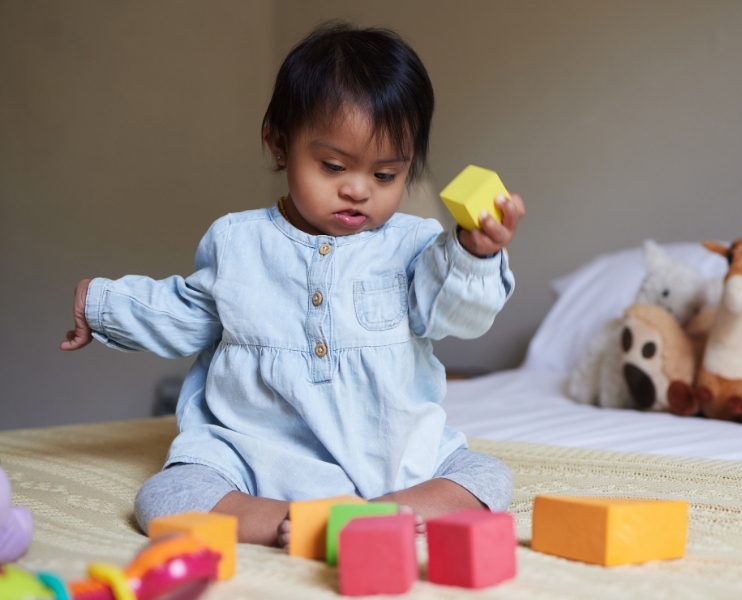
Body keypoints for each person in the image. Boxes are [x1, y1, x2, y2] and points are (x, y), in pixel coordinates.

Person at [60, 22, 525, 547]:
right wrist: (101, 305)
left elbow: (458, 314)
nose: (356, 189)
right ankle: (289, 521)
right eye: (333, 166)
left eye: (385, 176)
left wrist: (474, 253)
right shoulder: (239, 242)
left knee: (487, 476)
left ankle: (386, 512)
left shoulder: (416, 245)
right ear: (279, 144)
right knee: (169, 495)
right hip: (257, 453)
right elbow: (185, 311)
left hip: (392, 457)